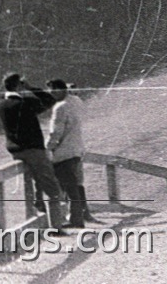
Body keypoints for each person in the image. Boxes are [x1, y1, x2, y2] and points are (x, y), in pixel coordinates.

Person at [0, 72, 67, 231]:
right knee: (52, 188)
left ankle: (39, 207)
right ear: (19, 86)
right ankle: (56, 227)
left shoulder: (0, 103)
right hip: (33, 150)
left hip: (15, 150)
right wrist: (30, 88)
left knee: (37, 182)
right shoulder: (25, 103)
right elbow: (49, 99)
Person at [46, 79, 99, 228]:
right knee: (74, 185)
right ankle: (79, 216)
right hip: (77, 149)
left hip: (64, 152)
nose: (52, 95)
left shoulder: (60, 107)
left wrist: (47, 148)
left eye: (53, 91)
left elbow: (55, 133)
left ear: (60, 90)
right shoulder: (76, 101)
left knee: (68, 187)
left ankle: (75, 220)